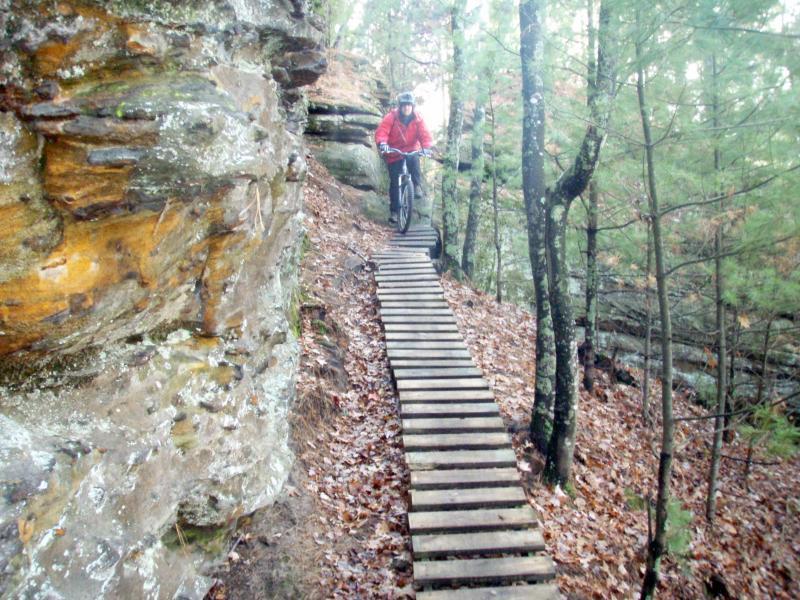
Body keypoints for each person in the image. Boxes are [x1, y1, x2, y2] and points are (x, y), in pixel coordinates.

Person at [375, 92, 433, 224]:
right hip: (394, 152)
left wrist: (427, 147)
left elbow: (425, 135)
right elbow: (382, 131)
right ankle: (395, 212)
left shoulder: (418, 119)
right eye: (404, 105)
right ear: (400, 107)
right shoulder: (391, 117)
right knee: (395, 183)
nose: (407, 108)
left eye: (409, 105)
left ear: (413, 106)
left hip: (411, 149)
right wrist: (382, 143)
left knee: (414, 159)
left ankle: (417, 186)